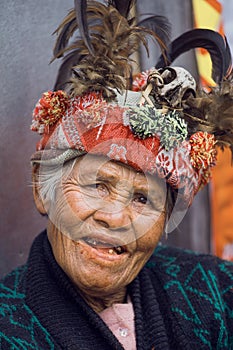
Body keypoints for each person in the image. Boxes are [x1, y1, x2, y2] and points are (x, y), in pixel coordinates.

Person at [0, 1, 233, 349]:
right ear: (40, 187)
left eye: (143, 198)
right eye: (97, 185)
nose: (116, 218)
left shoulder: (218, 288)